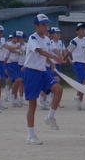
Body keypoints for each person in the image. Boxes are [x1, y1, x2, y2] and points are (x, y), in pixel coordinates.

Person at [23, 14, 64, 144]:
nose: (46, 27)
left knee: (58, 89)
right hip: (32, 72)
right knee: (33, 104)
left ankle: (50, 117)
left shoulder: (47, 39)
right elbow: (40, 51)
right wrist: (54, 57)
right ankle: (31, 135)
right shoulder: (32, 38)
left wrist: (52, 63)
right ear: (36, 26)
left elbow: (47, 54)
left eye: (47, 24)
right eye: (43, 24)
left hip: (43, 71)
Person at [66, 23, 85, 110]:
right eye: (81, 29)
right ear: (77, 31)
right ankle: (77, 97)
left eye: (84, 29)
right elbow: (67, 51)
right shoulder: (74, 41)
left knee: (81, 84)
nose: (83, 31)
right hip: (77, 63)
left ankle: (79, 103)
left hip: (83, 64)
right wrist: (68, 60)